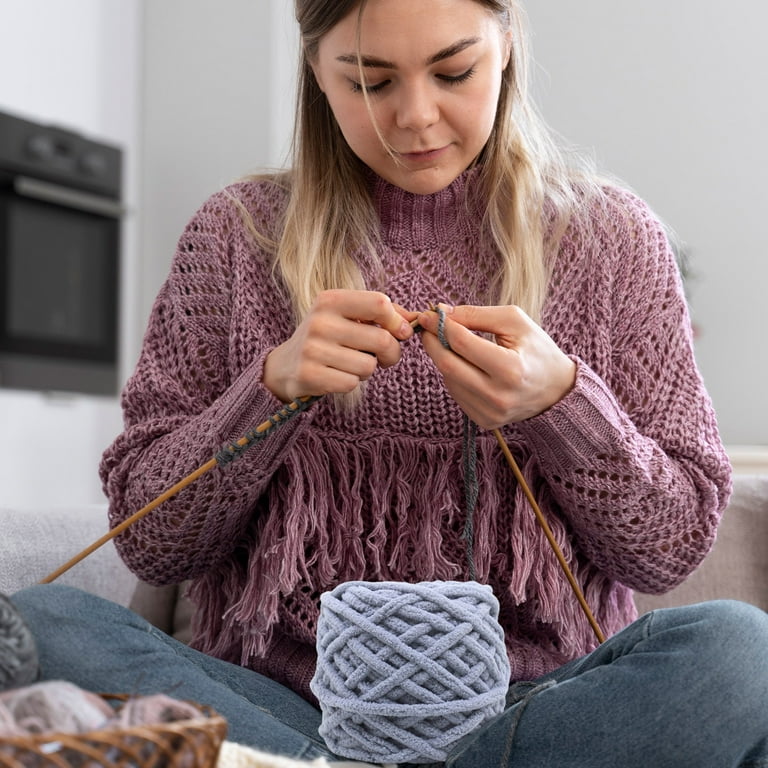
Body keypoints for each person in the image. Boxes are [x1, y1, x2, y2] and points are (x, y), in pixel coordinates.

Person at [12, 0, 768, 765]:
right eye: (371, 82)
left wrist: (562, 407)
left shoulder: (612, 240)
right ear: (316, 70)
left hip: (534, 711)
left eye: (454, 72)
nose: (415, 117)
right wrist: (266, 390)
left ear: (507, 44)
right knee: (42, 624)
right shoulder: (236, 237)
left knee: (742, 651)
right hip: (282, 707)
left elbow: (669, 550)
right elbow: (151, 543)